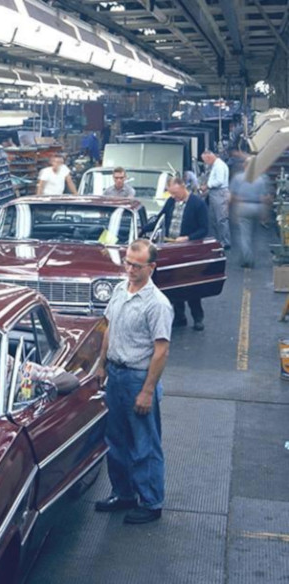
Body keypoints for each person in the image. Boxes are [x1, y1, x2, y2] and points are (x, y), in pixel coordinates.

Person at [95, 238, 173, 525]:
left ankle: (151, 502)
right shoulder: (119, 290)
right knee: (116, 440)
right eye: (127, 262)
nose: (130, 269)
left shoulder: (158, 305)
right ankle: (124, 493)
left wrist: (147, 390)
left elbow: (162, 350)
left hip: (138, 378)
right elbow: (108, 328)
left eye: (137, 266)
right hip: (115, 375)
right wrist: (101, 365)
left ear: (152, 267)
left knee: (144, 443)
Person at [155, 175, 208, 330]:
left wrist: (188, 238)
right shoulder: (171, 201)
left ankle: (198, 318)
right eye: (171, 194)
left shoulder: (198, 204)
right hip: (170, 248)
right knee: (173, 282)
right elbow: (160, 218)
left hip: (188, 250)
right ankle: (180, 316)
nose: (173, 197)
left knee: (191, 285)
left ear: (182, 186)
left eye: (175, 193)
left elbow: (204, 229)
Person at [229, 158, 271, 268]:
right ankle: (253, 255)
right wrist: (265, 213)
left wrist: (232, 210)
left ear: (245, 165)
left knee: (244, 235)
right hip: (257, 207)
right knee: (255, 235)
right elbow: (264, 198)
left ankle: (248, 259)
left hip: (243, 206)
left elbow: (232, 196)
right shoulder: (261, 179)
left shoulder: (238, 178)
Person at [201, 149, 231, 249]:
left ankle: (225, 242)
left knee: (221, 219)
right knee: (213, 218)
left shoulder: (219, 166)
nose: (206, 163)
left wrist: (207, 186)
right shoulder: (216, 165)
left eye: (205, 161)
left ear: (209, 157)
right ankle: (217, 240)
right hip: (216, 194)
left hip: (220, 193)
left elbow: (219, 181)